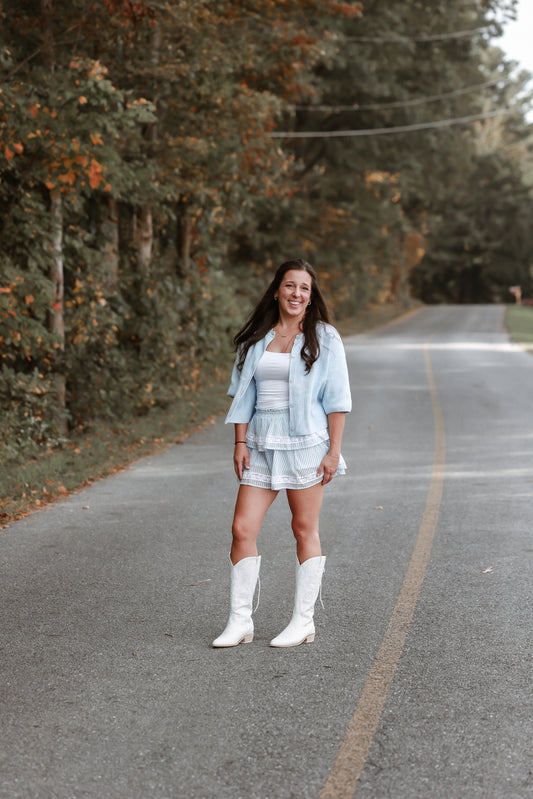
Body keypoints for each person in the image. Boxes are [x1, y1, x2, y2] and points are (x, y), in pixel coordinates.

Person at [212, 259, 351, 648]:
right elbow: (243, 395)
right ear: (277, 290)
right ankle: (240, 622)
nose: (296, 294)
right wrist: (240, 442)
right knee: (242, 529)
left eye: (304, 288)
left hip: (307, 444)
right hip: (259, 442)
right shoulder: (257, 338)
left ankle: (303, 622)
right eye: (290, 286)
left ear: (311, 296)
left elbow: (337, 401)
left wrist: (333, 452)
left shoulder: (325, 337)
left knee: (303, 529)